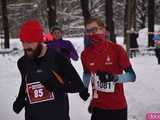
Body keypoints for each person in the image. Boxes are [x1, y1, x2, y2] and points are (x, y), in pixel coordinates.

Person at [13, 19, 89, 120]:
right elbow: (25, 82)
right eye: (23, 42)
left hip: (58, 115)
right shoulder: (22, 62)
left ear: (39, 40)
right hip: (32, 116)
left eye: (30, 42)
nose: (26, 46)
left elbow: (78, 85)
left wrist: (57, 86)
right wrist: (20, 98)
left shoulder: (58, 59)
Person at [81, 17, 136, 120]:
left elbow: (132, 76)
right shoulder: (85, 54)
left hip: (117, 107)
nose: (91, 34)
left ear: (103, 29)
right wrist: (84, 87)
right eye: (88, 31)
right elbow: (87, 73)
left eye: (94, 29)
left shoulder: (117, 50)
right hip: (97, 106)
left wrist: (114, 77)